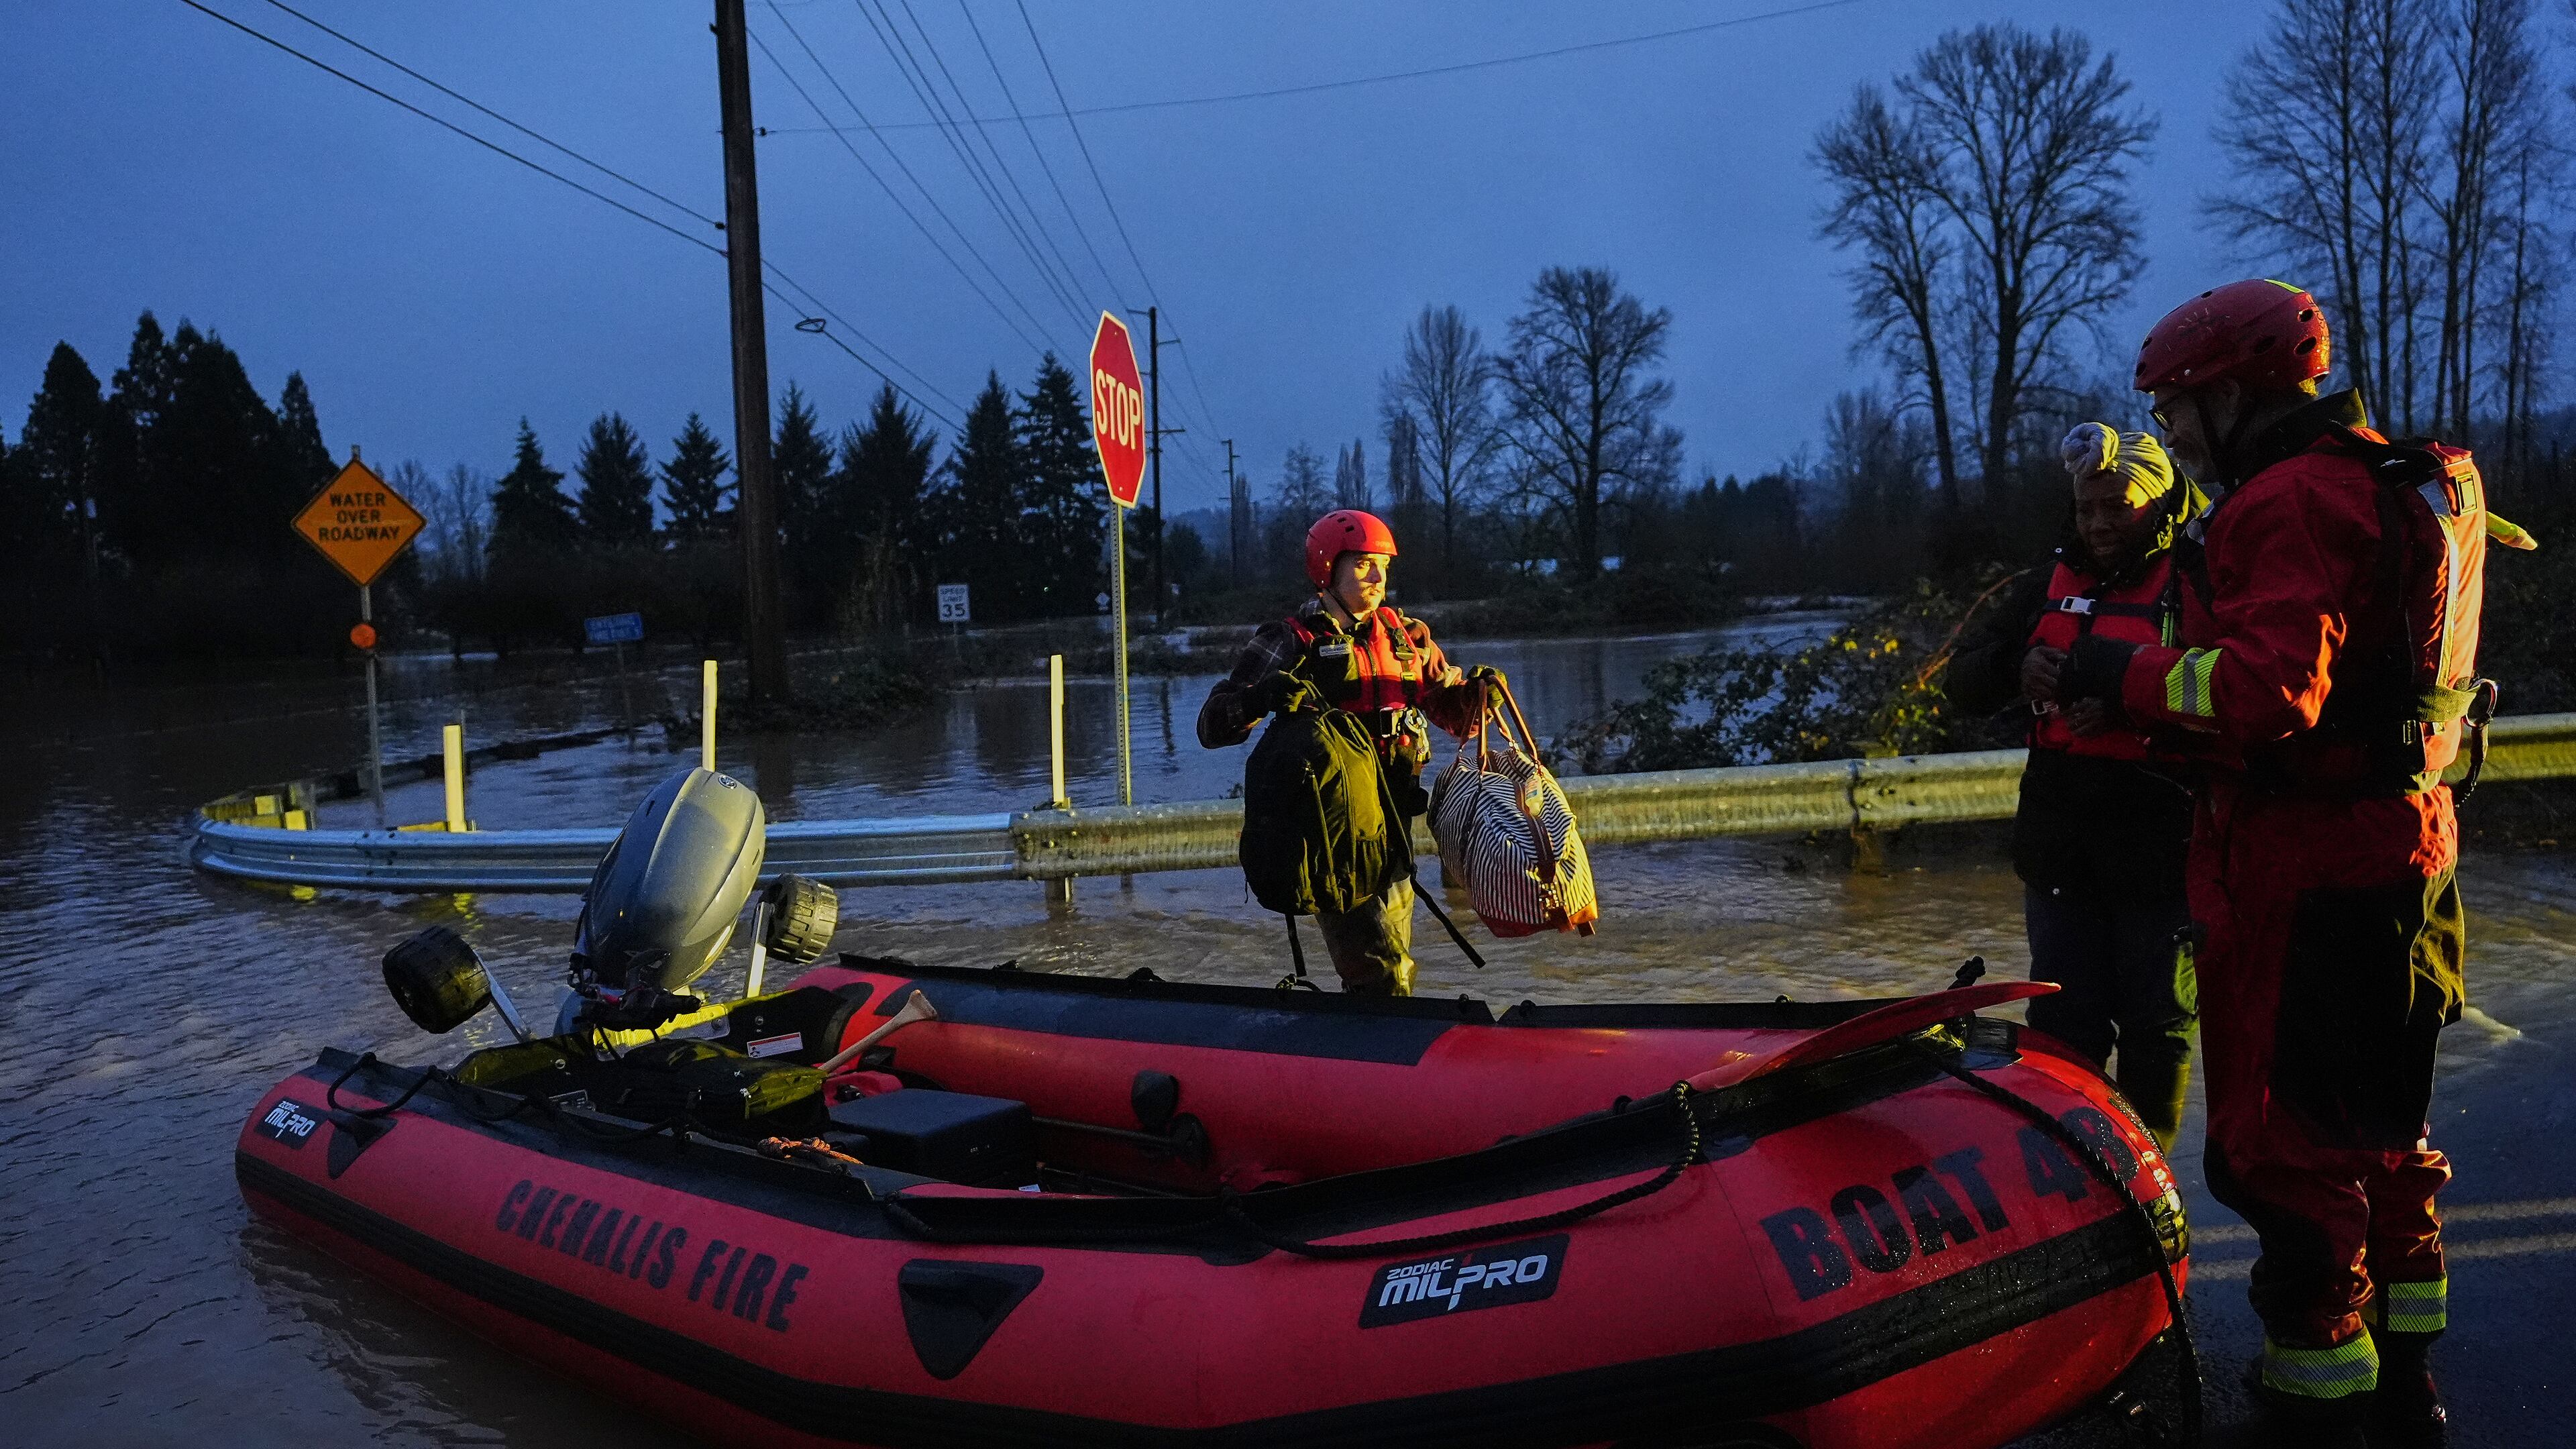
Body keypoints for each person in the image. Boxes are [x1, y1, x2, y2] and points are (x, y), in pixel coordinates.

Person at [2044, 280, 2487, 1448]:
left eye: (2180, 411)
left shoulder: (2281, 506)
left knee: (2274, 1145)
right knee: (2383, 1125)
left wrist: (2120, 678)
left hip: (2306, 870)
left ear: (2234, 394)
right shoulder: (2394, 478)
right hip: (2409, 845)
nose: (2173, 437)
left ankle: (2315, 1388)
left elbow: (2266, 693)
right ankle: (2408, 1372)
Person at [1949, 422, 2201, 1151]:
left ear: (2156, 504)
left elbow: (2250, 701)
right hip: (2062, 855)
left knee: (2160, 1026)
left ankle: (2150, 1171)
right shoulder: (2045, 582)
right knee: (2063, 1027)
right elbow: (1961, 683)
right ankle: (2076, 1171)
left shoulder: (2198, 582)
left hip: (2165, 851)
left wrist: (2133, 704)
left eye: (2115, 508)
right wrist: (2013, 667)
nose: (2097, 524)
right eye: (2087, 508)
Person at [1198, 510, 1493, 995]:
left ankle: (1370, 1044)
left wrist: (1478, 695)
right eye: (1361, 565)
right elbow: (1212, 727)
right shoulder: (1289, 639)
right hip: (1329, 830)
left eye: (1383, 566)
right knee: (1383, 971)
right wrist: (1261, 697)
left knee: (1390, 960)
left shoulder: (1407, 637)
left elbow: (1454, 717)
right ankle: (1384, 1052)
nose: (1377, 579)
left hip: (1393, 823)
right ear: (1327, 568)